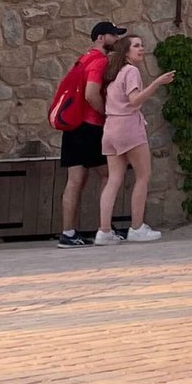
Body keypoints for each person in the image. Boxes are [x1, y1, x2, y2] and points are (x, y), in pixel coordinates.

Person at [95, 35, 175, 244]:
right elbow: (134, 100)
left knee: (113, 180)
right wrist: (157, 83)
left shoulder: (114, 73)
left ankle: (104, 231)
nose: (141, 49)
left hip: (110, 128)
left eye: (142, 45)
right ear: (127, 51)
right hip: (128, 126)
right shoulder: (131, 71)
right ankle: (137, 227)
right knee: (143, 176)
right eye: (137, 46)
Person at [58, 21, 126, 247]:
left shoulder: (83, 58)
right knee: (110, 174)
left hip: (73, 126)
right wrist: (106, 113)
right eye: (113, 35)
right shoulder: (99, 61)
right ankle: (105, 228)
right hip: (90, 127)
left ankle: (68, 233)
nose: (116, 39)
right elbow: (90, 93)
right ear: (100, 37)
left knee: (75, 180)